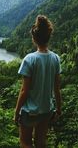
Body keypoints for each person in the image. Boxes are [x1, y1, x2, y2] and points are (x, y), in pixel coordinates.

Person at [14, 15, 62, 148]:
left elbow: (24, 90)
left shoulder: (29, 59)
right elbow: (57, 89)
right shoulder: (55, 59)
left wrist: (16, 112)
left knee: (25, 142)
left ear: (34, 39)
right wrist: (58, 109)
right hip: (47, 109)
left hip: (30, 111)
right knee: (41, 142)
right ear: (48, 37)